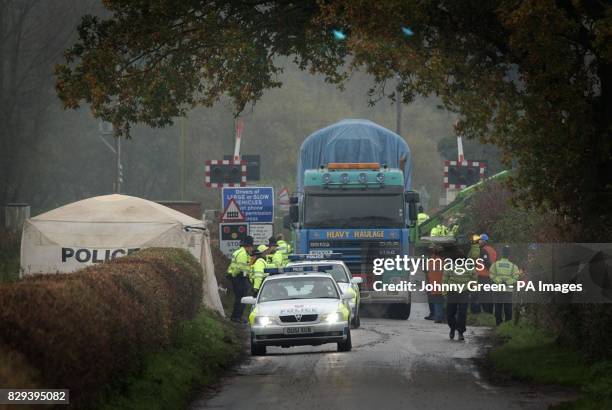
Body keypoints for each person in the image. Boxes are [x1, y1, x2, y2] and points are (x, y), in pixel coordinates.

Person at [444, 247, 475, 341]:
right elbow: (445, 279)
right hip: (452, 292)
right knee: (449, 314)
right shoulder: (450, 266)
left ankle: (460, 332)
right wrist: (445, 292)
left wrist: (471, 290)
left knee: (462, 314)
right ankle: (453, 328)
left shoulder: (468, 266)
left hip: (464, 292)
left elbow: (474, 278)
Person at [490, 245, 521, 326]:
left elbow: (491, 274)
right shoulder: (513, 266)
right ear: (509, 255)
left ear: (501, 254)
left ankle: (498, 324)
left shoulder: (495, 265)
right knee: (508, 308)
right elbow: (516, 277)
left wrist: (499, 281)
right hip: (508, 290)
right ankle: (507, 324)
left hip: (497, 289)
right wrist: (507, 282)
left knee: (498, 308)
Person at [227, 236, 254, 322]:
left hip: (236, 277)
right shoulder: (242, 254)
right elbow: (242, 267)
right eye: (251, 247)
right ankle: (236, 317)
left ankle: (237, 316)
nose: (252, 249)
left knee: (239, 298)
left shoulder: (241, 252)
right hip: (239, 277)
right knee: (241, 298)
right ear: (249, 246)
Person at [474, 233, 497, 314]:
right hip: (490, 276)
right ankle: (489, 313)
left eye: (481, 240)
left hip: (483, 276)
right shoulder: (492, 250)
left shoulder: (483, 250)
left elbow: (486, 262)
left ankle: (485, 313)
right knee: (489, 295)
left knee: (483, 295)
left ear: (485, 241)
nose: (479, 242)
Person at [424, 244, 445, 323]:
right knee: (440, 301)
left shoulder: (430, 261)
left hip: (433, 283)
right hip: (443, 284)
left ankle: (437, 316)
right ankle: (439, 317)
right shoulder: (443, 261)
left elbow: (426, 271)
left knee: (436, 300)